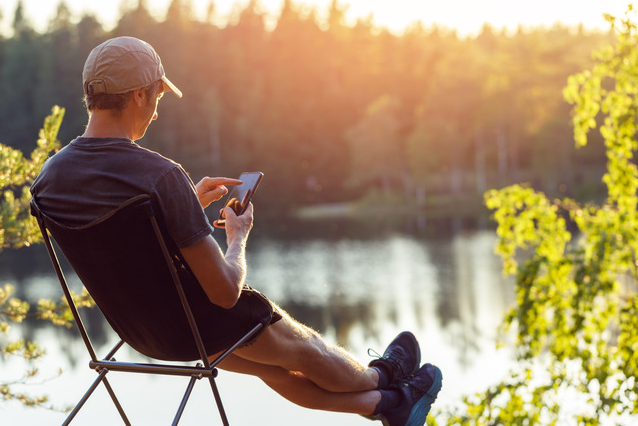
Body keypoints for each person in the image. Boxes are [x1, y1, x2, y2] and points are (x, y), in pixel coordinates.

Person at [30, 36, 442, 425]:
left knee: (275, 370)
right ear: (138, 95)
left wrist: (184, 204)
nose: (156, 111)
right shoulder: (158, 175)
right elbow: (224, 293)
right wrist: (238, 236)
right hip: (202, 323)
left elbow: (124, 243)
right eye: (156, 97)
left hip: (144, 335)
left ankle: (389, 405)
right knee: (307, 350)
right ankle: (380, 379)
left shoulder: (49, 181)